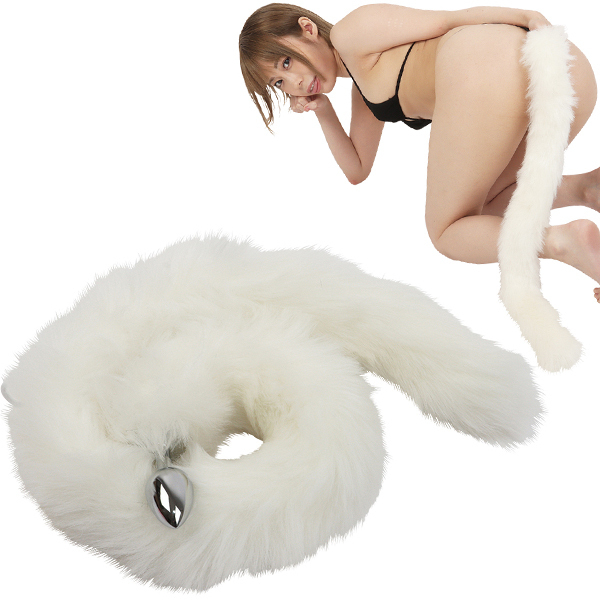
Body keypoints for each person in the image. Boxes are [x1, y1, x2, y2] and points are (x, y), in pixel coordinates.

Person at [239, 3, 600, 301]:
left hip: (499, 59)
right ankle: (587, 189)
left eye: (286, 62)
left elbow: (445, 20)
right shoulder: (364, 91)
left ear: (307, 29)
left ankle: (560, 242)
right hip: (566, 69)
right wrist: (322, 109)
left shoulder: (350, 33)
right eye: (279, 83)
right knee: (488, 207)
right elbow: (357, 169)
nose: (295, 83)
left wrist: (527, 17)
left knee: (447, 231)